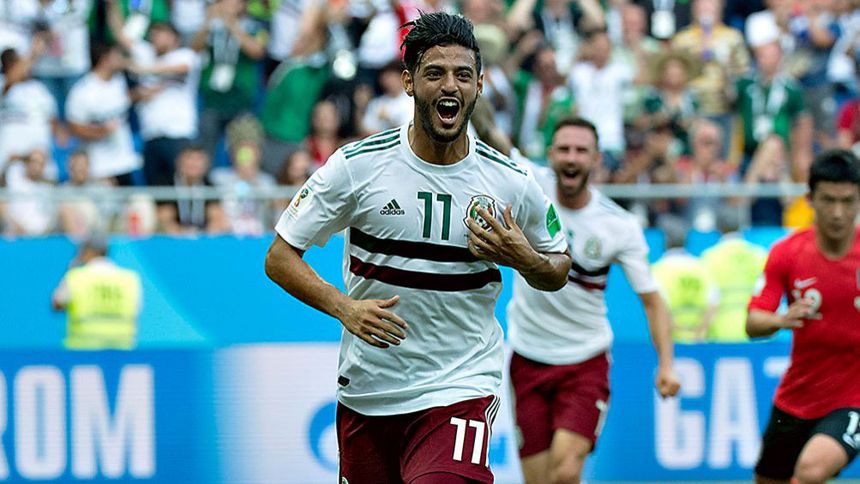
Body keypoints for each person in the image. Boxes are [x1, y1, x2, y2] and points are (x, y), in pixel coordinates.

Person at [264, 12, 571, 484]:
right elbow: (279, 257)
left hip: (461, 386)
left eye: (463, 75)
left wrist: (525, 259)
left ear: (479, 85)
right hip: (369, 392)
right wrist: (345, 308)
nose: (450, 85)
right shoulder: (356, 167)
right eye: (435, 73)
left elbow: (559, 266)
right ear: (409, 82)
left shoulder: (511, 181)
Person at [472, 110, 680, 483]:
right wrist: (471, 89)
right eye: (564, 149)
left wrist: (666, 364)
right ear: (550, 154)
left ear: (597, 159)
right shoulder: (531, 186)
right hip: (528, 358)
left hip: (585, 361)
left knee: (566, 473)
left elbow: (652, 299)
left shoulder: (618, 225)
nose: (572, 158)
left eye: (581, 151)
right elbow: (491, 134)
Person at [747, 149, 860, 484]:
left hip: (854, 397)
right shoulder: (787, 253)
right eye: (828, 200)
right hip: (797, 397)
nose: (838, 213)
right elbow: (753, 323)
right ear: (810, 199)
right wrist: (779, 320)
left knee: (811, 470)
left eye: (848, 201)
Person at [51, 235, 142, 350]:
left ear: (89, 252)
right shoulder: (129, 279)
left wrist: (71, 269)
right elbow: (136, 308)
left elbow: (57, 304)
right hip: (122, 348)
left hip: (83, 349)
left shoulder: (76, 277)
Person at [701, 207, 767, 342]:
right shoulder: (759, 254)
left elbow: (708, 299)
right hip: (756, 330)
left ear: (719, 227)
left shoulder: (709, 257)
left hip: (721, 332)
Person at [652, 215, 719, 343]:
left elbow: (658, 309)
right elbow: (713, 304)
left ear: (666, 240)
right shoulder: (701, 266)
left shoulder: (658, 270)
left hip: (670, 341)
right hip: (700, 341)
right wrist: (698, 334)